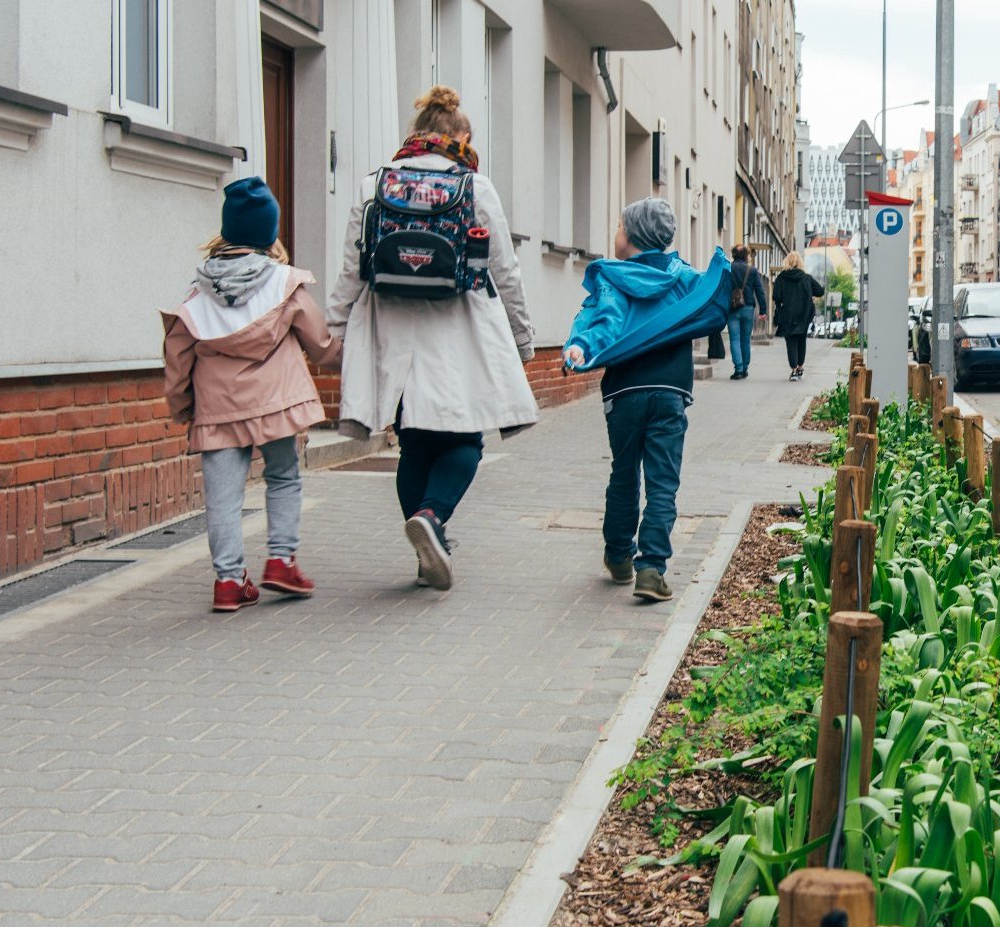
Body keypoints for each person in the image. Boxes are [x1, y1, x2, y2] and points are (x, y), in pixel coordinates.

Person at [326, 85, 540, 592]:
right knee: (466, 439)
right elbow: (505, 270)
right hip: (459, 329)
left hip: (392, 332)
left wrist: (334, 330)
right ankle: (432, 517)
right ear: (459, 137)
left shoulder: (373, 185)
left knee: (414, 445)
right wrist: (522, 336)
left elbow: (352, 270)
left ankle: (428, 546)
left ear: (415, 132)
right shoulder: (475, 187)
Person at [162, 178, 342, 614]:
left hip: (218, 408)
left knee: (222, 498)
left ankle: (228, 582)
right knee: (282, 475)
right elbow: (321, 346)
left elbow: (178, 357)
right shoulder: (285, 284)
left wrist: (184, 408)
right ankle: (281, 560)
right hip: (275, 403)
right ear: (269, 233)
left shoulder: (198, 291)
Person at [564, 199, 724, 602]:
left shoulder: (614, 278)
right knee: (663, 483)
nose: (615, 233)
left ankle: (619, 556)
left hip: (624, 392)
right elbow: (710, 299)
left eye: (619, 226)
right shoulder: (683, 277)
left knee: (624, 474)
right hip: (671, 392)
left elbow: (606, 321)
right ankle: (651, 568)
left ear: (631, 236)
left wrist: (582, 346)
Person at [770, 251, 824, 382]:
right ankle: (800, 367)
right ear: (800, 262)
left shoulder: (781, 278)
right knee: (801, 340)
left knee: (791, 342)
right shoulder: (806, 278)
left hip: (787, 315)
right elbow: (820, 291)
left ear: (787, 262)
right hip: (804, 315)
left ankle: (793, 370)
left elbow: (776, 296)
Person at [726, 245, 769, 380]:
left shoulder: (728, 268)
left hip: (732, 308)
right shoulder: (752, 270)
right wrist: (763, 310)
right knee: (746, 339)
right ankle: (745, 368)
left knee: (734, 339)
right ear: (746, 255)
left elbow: (722, 288)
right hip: (748, 308)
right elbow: (760, 291)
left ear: (733, 255)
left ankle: (738, 368)